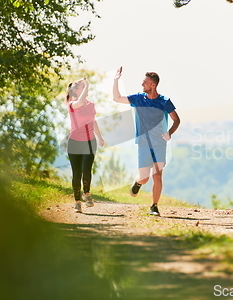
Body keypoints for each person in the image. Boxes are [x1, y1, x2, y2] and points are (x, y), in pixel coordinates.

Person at [113, 67, 180, 216]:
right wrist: (116, 80)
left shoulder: (164, 102)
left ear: (153, 85)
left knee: (157, 176)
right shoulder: (138, 99)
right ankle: (138, 183)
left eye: (144, 83)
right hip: (143, 143)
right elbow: (117, 98)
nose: (142, 85)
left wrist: (169, 133)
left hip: (159, 144)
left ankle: (154, 206)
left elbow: (176, 120)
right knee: (144, 178)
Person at [66, 78, 105, 213]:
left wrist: (99, 137)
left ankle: (86, 194)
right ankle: (77, 202)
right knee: (76, 173)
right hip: (74, 143)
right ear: (76, 91)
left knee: (86, 169)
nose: (87, 90)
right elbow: (80, 101)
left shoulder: (91, 105)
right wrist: (87, 84)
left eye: (86, 87)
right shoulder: (72, 104)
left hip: (89, 142)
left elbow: (93, 121)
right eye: (83, 87)